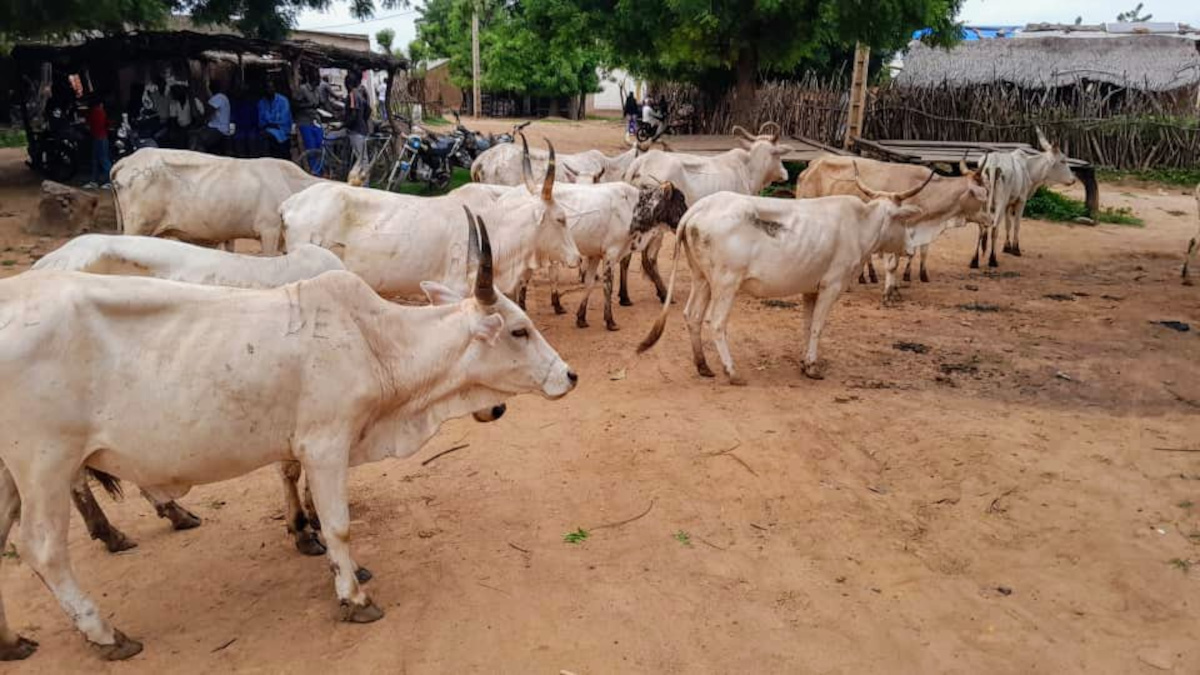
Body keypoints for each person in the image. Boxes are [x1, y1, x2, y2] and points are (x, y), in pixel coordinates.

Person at [294, 70, 323, 173]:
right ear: (311, 79)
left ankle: (320, 168)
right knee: (311, 147)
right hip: (305, 122)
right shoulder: (302, 89)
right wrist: (308, 105)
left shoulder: (317, 90)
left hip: (316, 120)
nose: (318, 80)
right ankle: (315, 172)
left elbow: (322, 103)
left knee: (320, 145)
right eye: (316, 78)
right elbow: (295, 105)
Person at [257, 79, 293, 159]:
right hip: (267, 131)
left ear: (275, 88)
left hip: (282, 131)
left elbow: (284, 120)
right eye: (267, 88)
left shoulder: (283, 101)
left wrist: (270, 124)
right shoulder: (261, 103)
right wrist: (271, 124)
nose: (269, 90)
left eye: (271, 87)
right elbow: (261, 122)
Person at [83, 93, 112, 189]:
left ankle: (99, 181)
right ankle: (102, 181)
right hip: (101, 137)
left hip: (98, 138)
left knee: (99, 160)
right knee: (101, 160)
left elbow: (89, 125)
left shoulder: (94, 112)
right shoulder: (101, 111)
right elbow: (106, 124)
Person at [196, 80, 232, 154]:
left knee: (198, 140)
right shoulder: (222, 97)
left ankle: (203, 160)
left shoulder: (218, 97)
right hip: (220, 128)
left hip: (218, 129)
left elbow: (208, 112)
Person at [343, 71, 370, 163]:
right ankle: (365, 176)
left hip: (355, 131)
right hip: (361, 129)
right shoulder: (359, 94)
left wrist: (344, 125)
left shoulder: (352, 95)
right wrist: (363, 120)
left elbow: (353, 114)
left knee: (361, 159)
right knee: (363, 157)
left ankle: (364, 177)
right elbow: (368, 109)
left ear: (349, 84)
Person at [230, 85, 259, 157]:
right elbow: (233, 118)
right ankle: (241, 158)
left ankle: (253, 158)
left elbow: (255, 119)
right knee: (238, 137)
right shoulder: (236, 104)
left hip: (251, 128)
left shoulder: (252, 104)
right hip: (240, 128)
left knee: (252, 137)